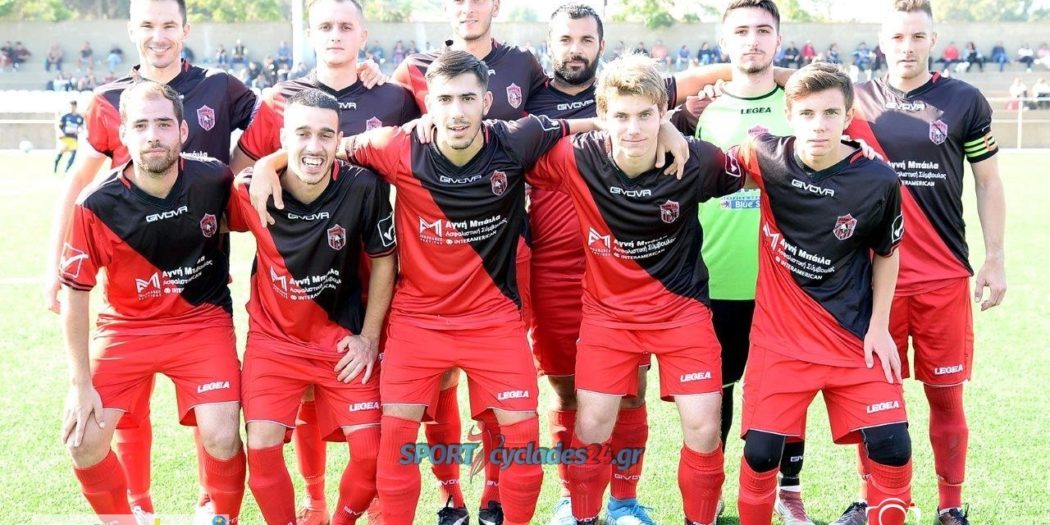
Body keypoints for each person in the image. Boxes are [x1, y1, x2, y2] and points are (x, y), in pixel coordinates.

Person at [250, 49, 616, 525]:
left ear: (487, 102)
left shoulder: (517, 138)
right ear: (429, 104)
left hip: (493, 319)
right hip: (418, 321)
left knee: (524, 445)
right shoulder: (395, 145)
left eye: (468, 99)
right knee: (394, 446)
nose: (456, 112)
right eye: (444, 100)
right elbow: (324, 145)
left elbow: (593, 124)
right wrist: (268, 164)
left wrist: (666, 128)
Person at [42, 0, 257, 518]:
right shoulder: (106, 103)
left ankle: (213, 505)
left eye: (168, 25)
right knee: (111, 421)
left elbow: (280, 121)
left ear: (185, 29)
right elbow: (77, 182)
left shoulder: (221, 88)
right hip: (128, 295)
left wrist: (257, 170)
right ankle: (134, 506)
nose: (158, 35)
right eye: (147, 25)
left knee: (217, 427)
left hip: (199, 290)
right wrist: (56, 265)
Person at [529, 52, 742, 525]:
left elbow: (760, 168)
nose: (633, 129)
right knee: (591, 423)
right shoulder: (575, 157)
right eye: (621, 116)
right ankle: (586, 516)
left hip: (681, 312)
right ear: (602, 115)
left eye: (646, 115)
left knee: (705, 429)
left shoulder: (696, 160)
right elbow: (507, 149)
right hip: (608, 316)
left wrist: (854, 151)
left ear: (663, 112)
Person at [231, 1, 418, 522]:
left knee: (378, 442)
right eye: (325, 26)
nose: (335, 35)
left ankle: (362, 510)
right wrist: (267, 164)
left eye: (345, 26)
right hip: (282, 323)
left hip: (355, 306)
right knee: (283, 427)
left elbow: (424, 149)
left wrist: (370, 335)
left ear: (364, 33)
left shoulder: (393, 98)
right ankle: (311, 500)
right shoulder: (276, 108)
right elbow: (227, 187)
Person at [834, 1, 1005, 524]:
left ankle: (950, 507)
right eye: (897, 37)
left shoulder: (964, 99)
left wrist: (995, 258)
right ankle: (873, 500)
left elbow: (988, 182)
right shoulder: (853, 100)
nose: (906, 47)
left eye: (916, 36)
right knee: (872, 401)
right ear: (881, 42)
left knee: (946, 400)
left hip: (942, 278)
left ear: (933, 39)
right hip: (870, 281)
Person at [732, 62, 911, 525]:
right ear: (789, 114)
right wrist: (671, 131)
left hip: (852, 336)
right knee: (761, 454)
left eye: (831, 113)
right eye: (808, 113)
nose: (819, 125)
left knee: (893, 448)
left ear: (848, 116)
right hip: (781, 341)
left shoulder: (878, 180)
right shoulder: (763, 155)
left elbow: (887, 254)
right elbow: (702, 166)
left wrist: (879, 328)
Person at [673, 2, 814, 523]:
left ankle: (787, 489)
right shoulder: (700, 112)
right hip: (716, 276)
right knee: (718, 392)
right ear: (723, 41)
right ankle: (713, 490)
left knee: (788, 389)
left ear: (778, 39)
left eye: (763, 30)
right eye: (741, 31)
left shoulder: (801, 105)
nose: (752, 40)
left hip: (791, 278)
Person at [55, 100, 84, 174]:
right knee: (60, 153)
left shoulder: (79, 117)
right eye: (70, 107)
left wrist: (79, 130)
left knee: (74, 154)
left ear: (76, 107)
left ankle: (66, 170)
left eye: (73, 107)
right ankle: (55, 167)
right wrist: (60, 133)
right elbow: (59, 127)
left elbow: (81, 127)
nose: (71, 108)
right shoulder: (65, 116)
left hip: (73, 138)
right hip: (65, 138)